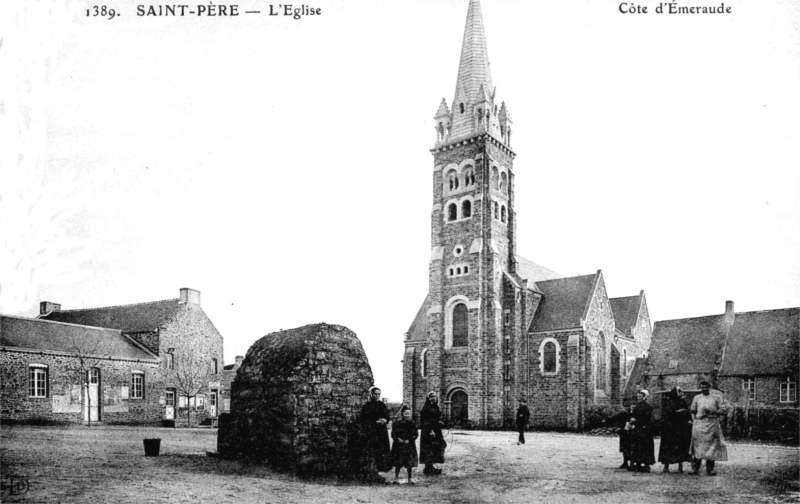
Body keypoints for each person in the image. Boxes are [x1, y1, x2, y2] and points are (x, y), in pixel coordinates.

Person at [689, 381, 729, 476]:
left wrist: (713, 412)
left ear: (709, 387)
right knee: (698, 446)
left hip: (712, 424)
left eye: (705, 387)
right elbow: (693, 411)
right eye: (702, 387)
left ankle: (710, 469)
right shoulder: (697, 398)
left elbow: (723, 410)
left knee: (712, 447)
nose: (703, 389)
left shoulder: (716, 397)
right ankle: (695, 468)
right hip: (700, 424)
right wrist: (694, 422)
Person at [359, 386, 392, 483]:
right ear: (371, 394)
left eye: (378, 394)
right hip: (371, 433)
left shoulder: (381, 405)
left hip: (381, 433)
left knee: (380, 453)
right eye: (375, 394)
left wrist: (385, 420)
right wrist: (375, 422)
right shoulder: (366, 406)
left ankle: (377, 473)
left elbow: (387, 415)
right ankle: (371, 473)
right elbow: (364, 420)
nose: (377, 396)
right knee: (371, 453)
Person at [658, 386, 693, 473]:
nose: (682, 394)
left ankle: (680, 466)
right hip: (669, 428)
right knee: (668, 446)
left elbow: (687, 412)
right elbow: (666, 414)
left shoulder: (682, 402)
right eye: (680, 392)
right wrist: (677, 412)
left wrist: (688, 419)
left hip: (680, 428)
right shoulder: (668, 402)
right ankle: (666, 467)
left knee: (680, 446)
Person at [390, 405, 419, 484]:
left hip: (409, 446)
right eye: (406, 414)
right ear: (402, 414)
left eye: (408, 414)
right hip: (399, 446)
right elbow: (393, 434)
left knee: (409, 462)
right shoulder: (397, 423)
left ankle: (410, 478)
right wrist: (398, 439)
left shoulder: (412, 423)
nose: (407, 415)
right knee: (398, 462)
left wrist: (409, 440)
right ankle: (396, 478)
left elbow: (415, 434)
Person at [419, 392, 446, 475]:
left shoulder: (436, 407)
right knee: (429, 448)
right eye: (431, 396)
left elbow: (436, 418)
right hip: (428, 431)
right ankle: (428, 468)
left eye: (434, 396)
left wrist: (440, 422)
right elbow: (424, 421)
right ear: (428, 398)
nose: (433, 398)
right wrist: (430, 430)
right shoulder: (426, 408)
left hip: (436, 430)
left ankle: (430, 467)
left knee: (438, 446)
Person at [629, 389, 656, 473]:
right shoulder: (636, 406)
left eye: (640, 396)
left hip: (645, 429)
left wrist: (636, 420)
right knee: (637, 446)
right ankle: (638, 463)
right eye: (637, 396)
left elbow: (647, 419)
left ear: (645, 397)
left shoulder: (648, 407)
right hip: (637, 428)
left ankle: (647, 465)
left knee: (646, 447)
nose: (638, 398)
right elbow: (633, 416)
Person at [616, 403, 634, 470]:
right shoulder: (625, 415)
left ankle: (632, 463)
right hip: (625, 432)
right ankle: (625, 462)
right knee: (624, 448)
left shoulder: (635, 415)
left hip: (631, 433)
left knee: (630, 448)